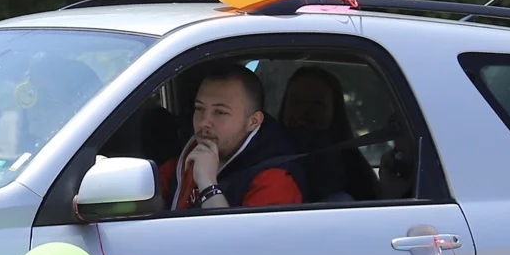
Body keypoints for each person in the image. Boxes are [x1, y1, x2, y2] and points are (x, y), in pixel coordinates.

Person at [159, 65, 305, 210]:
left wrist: (208, 185)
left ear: (253, 121)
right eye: (199, 109)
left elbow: (237, 234)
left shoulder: (275, 180)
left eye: (220, 112)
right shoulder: (191, 155)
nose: (204, 122)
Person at [278, 66, 379, 202]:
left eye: (317, 104)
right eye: (296, 101)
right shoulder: (265, 151)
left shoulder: (352, 167)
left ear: (334, 110)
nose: (303, 111)